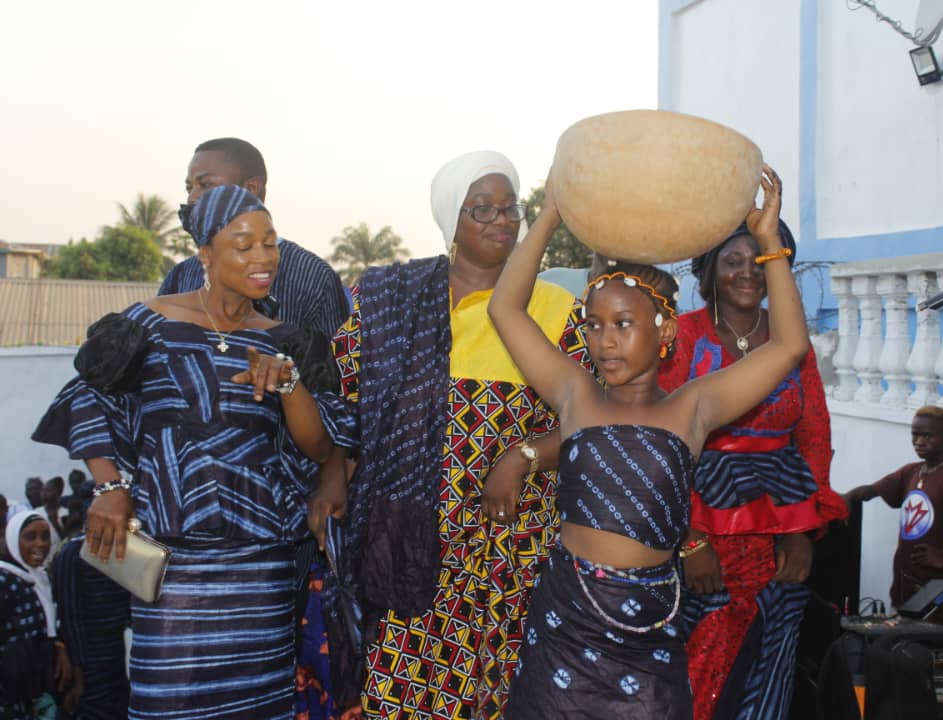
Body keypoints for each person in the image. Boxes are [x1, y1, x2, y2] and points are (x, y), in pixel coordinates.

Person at [491, 165, 810, 718]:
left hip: (650, 630)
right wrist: (550, 214)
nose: (603, 341)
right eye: (593, 325)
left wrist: (768, 244)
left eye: (622, 324)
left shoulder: (692, 408)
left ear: (665, 331)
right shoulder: (575, 395)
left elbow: (787, 348)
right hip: (564, 621)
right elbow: (505, 309)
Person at [32, 184, 336, 720]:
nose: (263, 257)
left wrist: (289, 385)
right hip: (174, 565)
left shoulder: (285, 340)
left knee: (258, 705)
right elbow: (83, 398)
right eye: (243, 246)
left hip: (258, 564)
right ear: (205, 255)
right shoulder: (149, 324)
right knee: (168, 701)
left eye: (270, 243)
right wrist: (108, 485)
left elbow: (319, 446)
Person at [307, 150, 592, 719]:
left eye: (510, 208)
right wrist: (332, 474)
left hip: (510, 543)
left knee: (501, 690)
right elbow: (342, 400)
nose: (501, 221)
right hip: (410, 538)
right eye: (481, 209)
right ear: (450, 222)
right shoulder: (392, 298)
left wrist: (523, 455)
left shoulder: (557, 309)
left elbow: (597, 421)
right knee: (401, 688)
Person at [657, 219, 847, 719]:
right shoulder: (683, 337)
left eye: (761, 262)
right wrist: (691, 541)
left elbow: (814, 437)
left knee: (768, 669)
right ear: (709, 271)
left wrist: (805, 533)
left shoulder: (790, 345)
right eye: (733, 262)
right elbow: (661, 447)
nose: (748, 274)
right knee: (693, 671)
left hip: (778, 546)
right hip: (698, 542)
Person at [160, 137, 350, 339]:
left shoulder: (313, 277)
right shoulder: (180, 276)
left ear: (251, 188)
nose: (192, 198)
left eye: (205, 184)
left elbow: (337, 365)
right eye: (190, 188)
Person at [845, 406, 943, 609]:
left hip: (937, 593)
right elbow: (870, 491)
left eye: (928, 436)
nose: (919, 442)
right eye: (915, 435)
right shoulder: (911, 472)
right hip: (904, 587)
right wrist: (848, 498)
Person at [50, 480, 131, 719]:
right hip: (88, 664)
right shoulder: (73, 553)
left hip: (119, 658)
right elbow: (70, 617)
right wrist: (79, 673)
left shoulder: (125, 549)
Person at [1, 510, 72, 718]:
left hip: (37, 688)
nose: (40, 544)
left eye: (45, 536)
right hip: (10, 696)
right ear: (13, 539)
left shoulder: (39, 579)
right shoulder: (5, 581)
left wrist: (58, 647)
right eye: (30, 537)